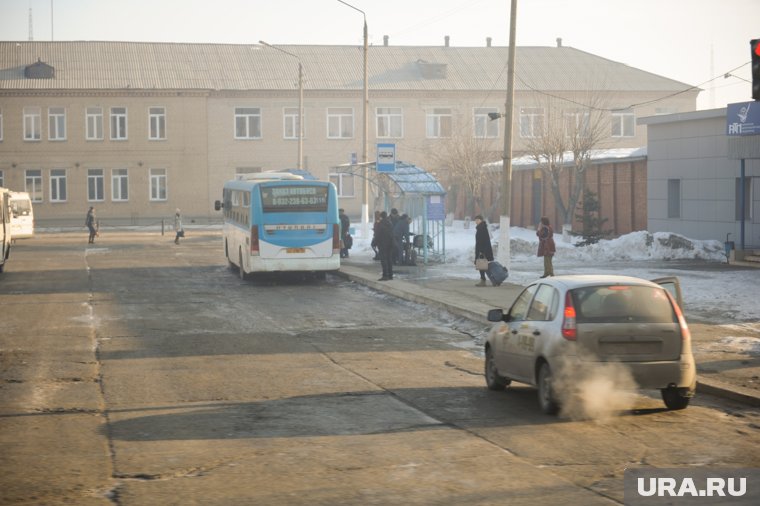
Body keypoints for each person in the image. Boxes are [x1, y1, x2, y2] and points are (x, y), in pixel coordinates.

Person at [474, 215, 494, 287]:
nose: (476, 221)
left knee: (481, 265)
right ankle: (486, 280)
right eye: (475, 220)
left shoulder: (482, 228)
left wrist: (482, 251)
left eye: (477, 220)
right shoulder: (480, 228)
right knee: (481, 265)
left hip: (482, 250)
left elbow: (484, 241)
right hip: (481, 249)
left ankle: (483, 281)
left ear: (481, 220)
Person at [375, 211, 394, 281]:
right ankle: (390, 275)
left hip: (383, 244)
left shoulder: (380, 224)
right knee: (389, 259)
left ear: (381, 216)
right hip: (390, 244)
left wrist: (374, 242)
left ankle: (385, 275)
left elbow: (378, 235)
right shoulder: (390, 223)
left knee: (384, 260)